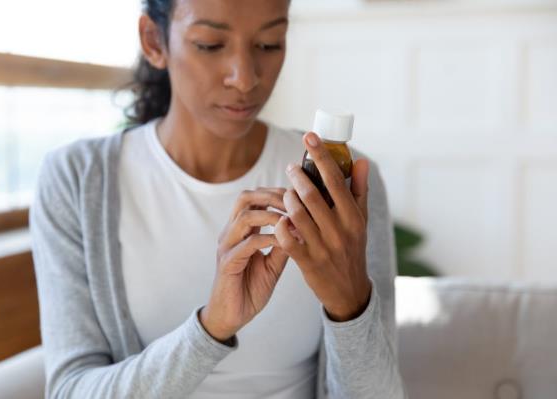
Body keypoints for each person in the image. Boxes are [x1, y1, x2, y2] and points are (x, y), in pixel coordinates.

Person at [30, 0, 406, 398]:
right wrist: (211, 329)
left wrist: (349, 305)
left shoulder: (344, 180)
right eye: (210, 44)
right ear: (154, 40)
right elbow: (70, 391)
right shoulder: (76, 178)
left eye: (269, 43)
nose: (244, 79)